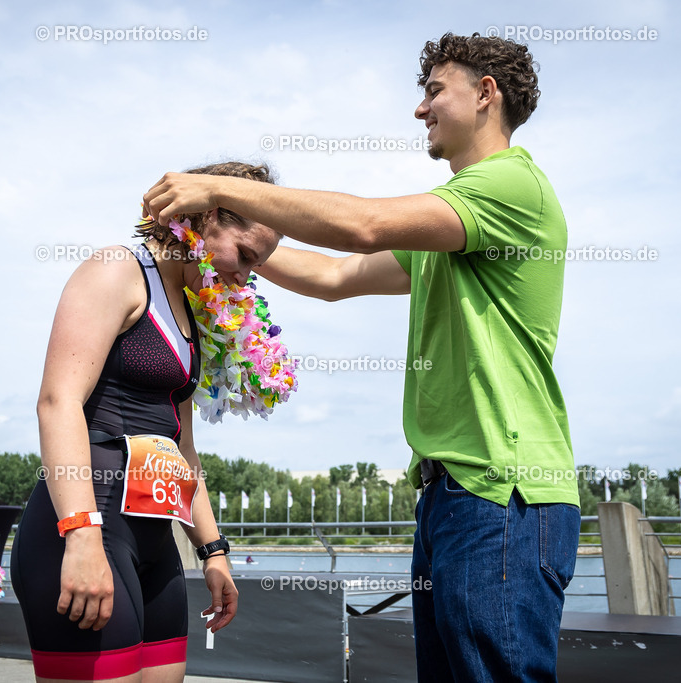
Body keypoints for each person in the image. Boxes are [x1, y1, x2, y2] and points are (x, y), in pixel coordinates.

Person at [143, 32, 580, 683]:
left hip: (502, 493)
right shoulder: (456, 226)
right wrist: (229, 244)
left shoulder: (510, 186)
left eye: (434, 91)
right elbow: (335, 275)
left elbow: (362, 226)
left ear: (485, 93)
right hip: (455, 495)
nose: (420, 108)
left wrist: (212, 188)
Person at [11, 161, 281, 683]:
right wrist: (82, 537)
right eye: (245, 255)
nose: (245, 276)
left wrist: (213, 551)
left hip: (157, 544)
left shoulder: (190, 312)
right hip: (88, 526)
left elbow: (183, 448)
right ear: (204, 218)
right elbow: (58, 402)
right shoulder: (116, 270)